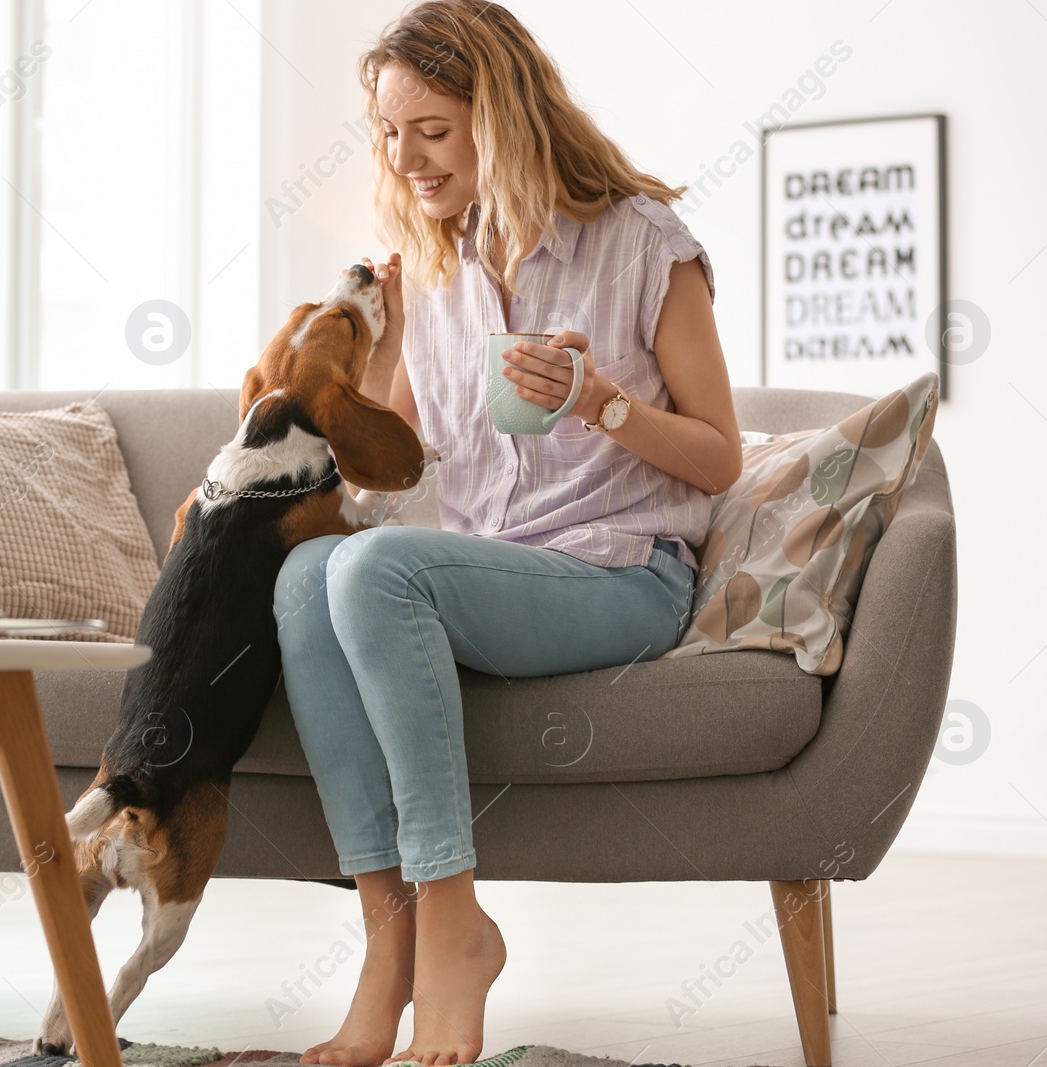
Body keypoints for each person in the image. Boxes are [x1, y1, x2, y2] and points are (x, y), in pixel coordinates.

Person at [273, 3, 742, 1064]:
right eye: (390, 134)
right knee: (309, 575)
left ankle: (452, 925)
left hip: (624, 572)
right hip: (499, 569)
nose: (406, 158)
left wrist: (599, 401)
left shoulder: (642, 243)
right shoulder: (431, 265)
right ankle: (386, 936)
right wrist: (372, 356)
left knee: (379, 573)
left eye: (431, 130)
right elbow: (399, 470)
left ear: (507, 112)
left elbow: (720, 456)